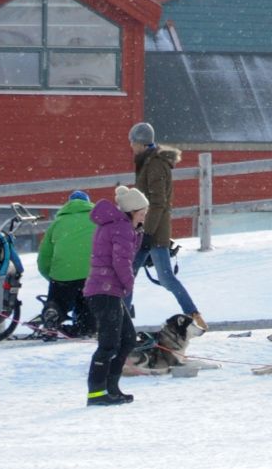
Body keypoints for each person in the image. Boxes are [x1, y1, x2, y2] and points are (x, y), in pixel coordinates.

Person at [130, 122, 204, 328]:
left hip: (152, 231)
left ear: (142, 144)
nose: (132, 146)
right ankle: (193, 313)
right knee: (144, 276)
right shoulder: (148, 162)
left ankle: (193, 313)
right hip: (148, 230)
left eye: (134, 142)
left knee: (141, 276)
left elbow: (158, 203)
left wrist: (146, 233)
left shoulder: (154, 165)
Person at [85, 185, 147, 407]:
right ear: (131, 211)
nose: (143, 218)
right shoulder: (120, 228)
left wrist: (138, 233)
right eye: (141, 214)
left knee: (128, 338)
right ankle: (96, 393)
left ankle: (111, 387)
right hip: (104, 290)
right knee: (109, 344)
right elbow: (121, 261)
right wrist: (129, 284)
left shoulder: (121, 227)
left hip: (109, 290)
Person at [38, 190, 98, 334]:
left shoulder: (57, 223)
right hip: (91, 274)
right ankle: (87, 326)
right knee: (87, 305)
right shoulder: (97, 221)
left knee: (58, 299)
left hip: (63, 273)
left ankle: (53, 312)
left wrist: (52, 277)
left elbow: (44, 256)